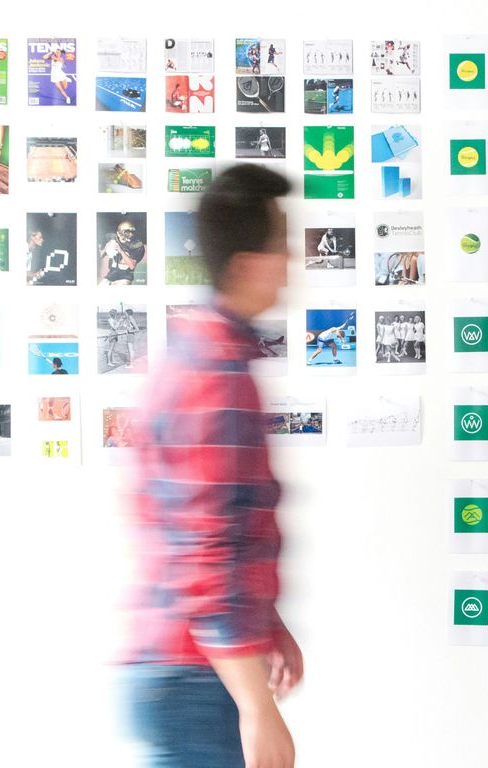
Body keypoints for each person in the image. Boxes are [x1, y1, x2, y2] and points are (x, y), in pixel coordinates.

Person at [127, 164, 301, 768]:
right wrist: (258, 706)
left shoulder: (203, 352)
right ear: (249, 261)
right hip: (194, 680)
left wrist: (267, 624)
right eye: (283, 243)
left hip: (190, 669)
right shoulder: (216, 374)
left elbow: (220, 525)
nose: (292, 259)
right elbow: (205, 549)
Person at [98, 219, 146, 285]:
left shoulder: (137, 245)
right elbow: (105, 239)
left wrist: (120, 250)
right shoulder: (113, 237)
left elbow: (132, 265)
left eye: (132, 232)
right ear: (119, 232)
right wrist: (104, 250)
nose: (131, 234)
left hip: (124, 278)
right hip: (110, 276)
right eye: (127, 232)